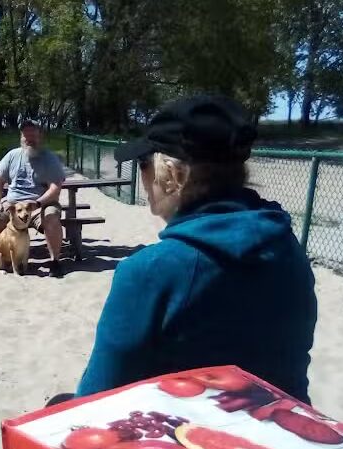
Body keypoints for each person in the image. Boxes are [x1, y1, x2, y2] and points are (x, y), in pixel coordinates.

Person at [75, 96, 318, 404]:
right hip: (285, 427)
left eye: (143, 164)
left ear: (172, 174)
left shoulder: (150, 271)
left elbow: (95, 400)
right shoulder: (286, 247)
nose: (142, 177)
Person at [0, 119, 66, 278]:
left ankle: (54, 262)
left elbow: (55, 187)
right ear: (21, 136)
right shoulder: (12, 155)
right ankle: (7, 253)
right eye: (25, 134)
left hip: (40, 204)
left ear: (40, 135)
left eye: (32, 134)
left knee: (51, 217)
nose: (29, 138)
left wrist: (38, 203)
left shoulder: (50, 158)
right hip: (13, 206)